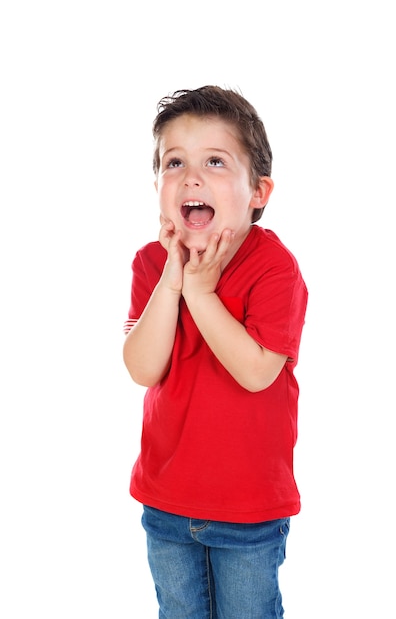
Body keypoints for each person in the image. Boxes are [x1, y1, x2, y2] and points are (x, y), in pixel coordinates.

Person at [123, 85, 308, 618]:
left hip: (248, 507)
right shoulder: (151, 264)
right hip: (165, 498)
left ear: (259, 191)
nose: (192, 176)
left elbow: (256, 373)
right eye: (174, 162)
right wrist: (175, 281)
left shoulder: (274, 266)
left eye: (215, 161)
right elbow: (142, 367)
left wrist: (202, 294)